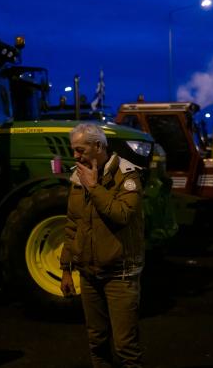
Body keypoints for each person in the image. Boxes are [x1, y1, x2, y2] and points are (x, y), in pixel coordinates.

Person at [60, 123, 145, 367]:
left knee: (125, 347)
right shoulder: (78, 177)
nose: (75, 156)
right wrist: (66, 269)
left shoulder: (127, 176)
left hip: (120, 274)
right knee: (96, 342)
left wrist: (95, 187)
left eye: (80, 150)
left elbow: (122, 214)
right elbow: (72, 225)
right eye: (73, 150)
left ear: (98, 146)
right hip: (89, 274)